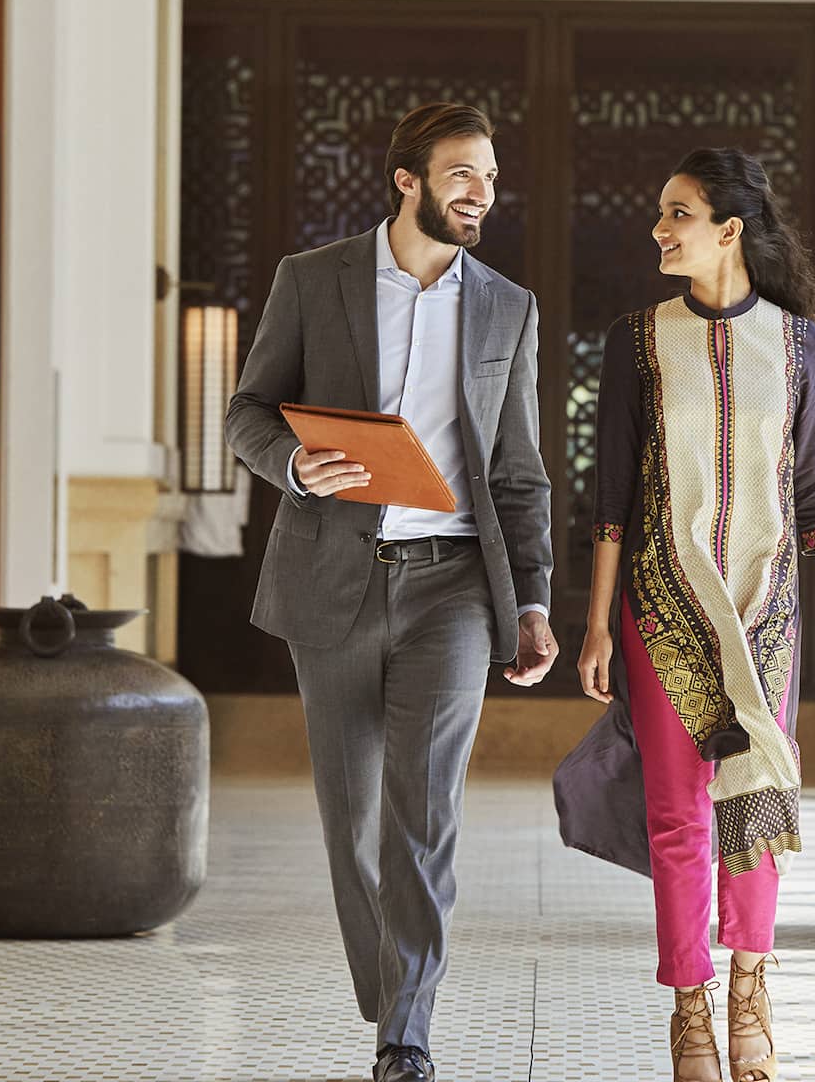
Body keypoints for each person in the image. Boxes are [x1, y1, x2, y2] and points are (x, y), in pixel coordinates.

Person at [226, 102, 559, 1082]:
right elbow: (247, 412)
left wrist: (530, 600)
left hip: (452, 585)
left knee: (424, 811)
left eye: (491, 178)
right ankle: (394, 979)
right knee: (352, 816)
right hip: (331, 574)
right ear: (406, 178)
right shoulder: (313, 279)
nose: (481, 193)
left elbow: (521, 471)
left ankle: (404, 1030)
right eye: (461, 172)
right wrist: (292, 462)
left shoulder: (507, 306)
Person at [570, 148, 815, 1082]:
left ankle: (751, 986)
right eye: (660, 213)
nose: (660, 229)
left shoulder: (799, 347)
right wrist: (596, 625)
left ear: (729, 228)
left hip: (766, 614)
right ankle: (690, 1009)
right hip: (662, 607)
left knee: (755, 801)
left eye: (677, 212)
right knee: (677, 815)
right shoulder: (636, 340)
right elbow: (612, 500)